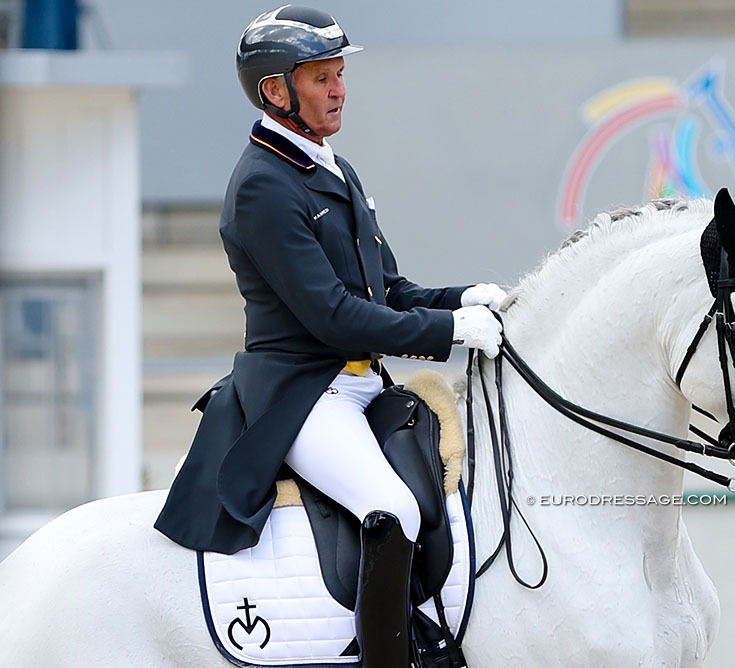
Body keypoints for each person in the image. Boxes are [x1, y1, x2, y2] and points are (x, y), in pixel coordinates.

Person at [154, 6, 504, 666]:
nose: (339, 88)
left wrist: (464, 297)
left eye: (340, 74)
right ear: (276, 91)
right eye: (321, 77)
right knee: (390, 508)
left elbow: (388, 291)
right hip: (303, 393)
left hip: (363, 386)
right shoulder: (263, 186)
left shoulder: (331, 168)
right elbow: (335, 318)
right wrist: (452, 330)